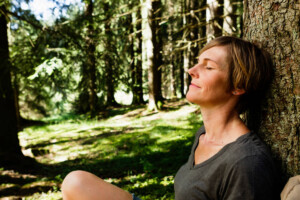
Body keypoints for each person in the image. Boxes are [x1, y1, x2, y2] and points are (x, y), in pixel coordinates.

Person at [61, 36, 279, 200]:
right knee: (76, 182)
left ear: (238, 86)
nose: (192, 70)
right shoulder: (203, 135)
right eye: (197, 62)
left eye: (209, 66)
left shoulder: (246, 162)